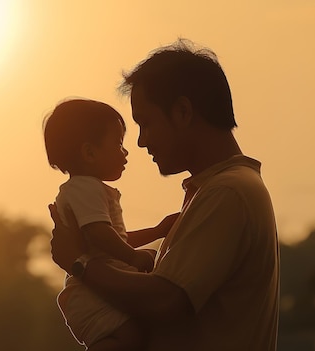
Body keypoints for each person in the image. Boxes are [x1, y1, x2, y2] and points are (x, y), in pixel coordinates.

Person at [49, 39, 279, 351]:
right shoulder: (219, 189)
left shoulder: (228, 192)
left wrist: (78, 263)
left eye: (145, 123)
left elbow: (166, 300)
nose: (142, 142)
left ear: (183, 112)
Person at [43, 98, 179, 350]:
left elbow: (115, 237)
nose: (125, 152)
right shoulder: (86, 189)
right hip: (90, 294)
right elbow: (99, 235)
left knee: (132, 335)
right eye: (118, 144)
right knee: (128, 336)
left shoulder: (86, 190)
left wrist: (158, 231)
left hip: (95, 286)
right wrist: (132, 257)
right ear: (89, 153)